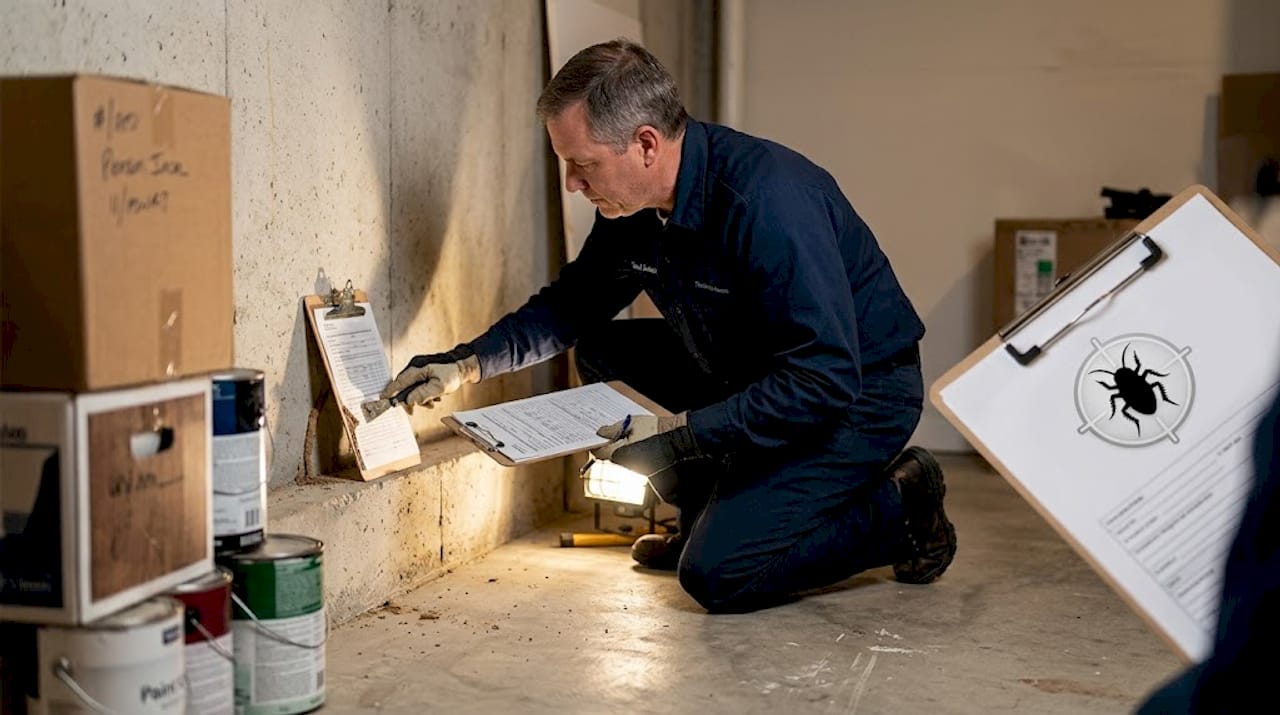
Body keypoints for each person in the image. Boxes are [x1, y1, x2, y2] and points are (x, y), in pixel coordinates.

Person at [381, 38, 956, 613]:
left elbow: (824, 376)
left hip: (858, 394)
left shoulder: (767, 202)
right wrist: (466, 363)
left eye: (582, 165)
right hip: (750, 370)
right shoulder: (633, 208)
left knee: (720, 575)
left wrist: (682, 433)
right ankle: (706, 516)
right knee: (607, 351)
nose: (572, 184)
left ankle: (902, 507)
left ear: (646, 144)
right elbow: (574, 306)